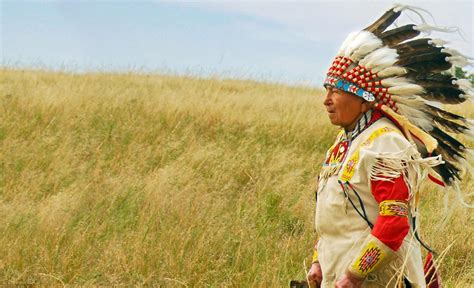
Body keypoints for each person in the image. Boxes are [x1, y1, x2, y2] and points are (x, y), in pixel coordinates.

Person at [305, 4, 473, 288]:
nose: (327, 99)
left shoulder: (385, 142)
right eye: (327, 89)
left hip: (378, 277)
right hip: (340, 271)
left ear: (365, 99)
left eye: (337, 91)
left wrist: (355, 273)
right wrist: (318, 260)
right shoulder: (344, 143)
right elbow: (336, 215)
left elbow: (394, 220)